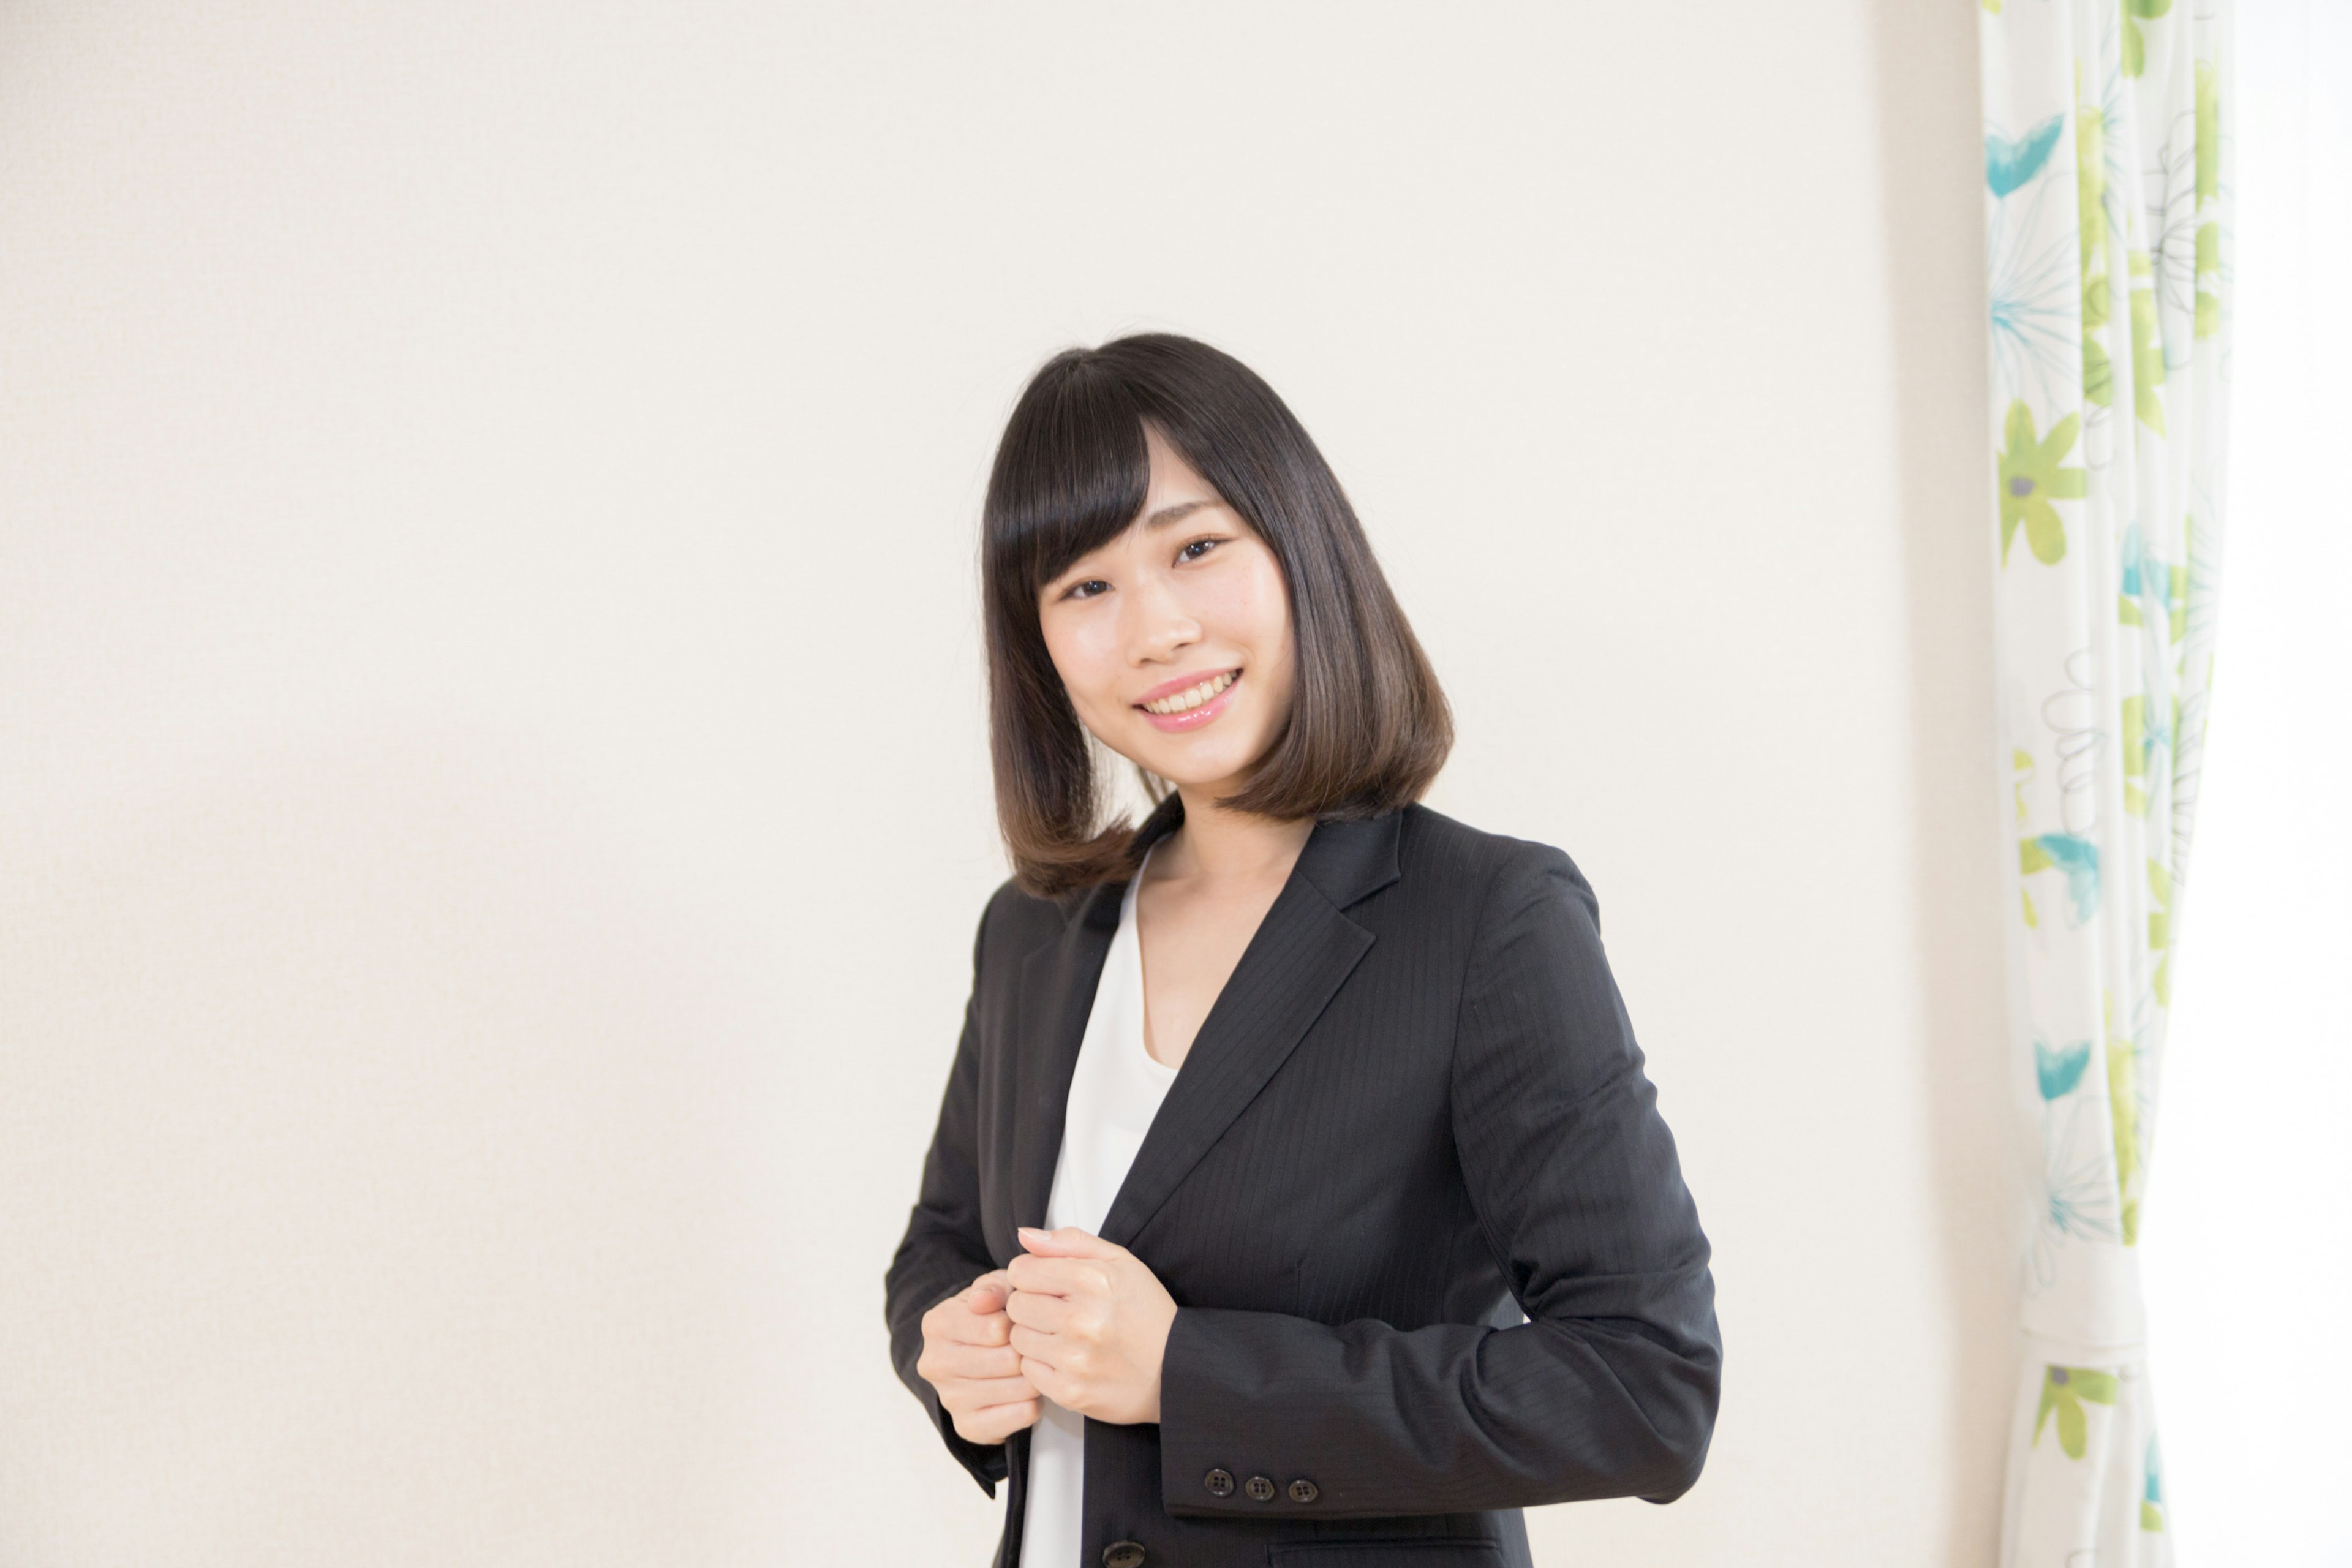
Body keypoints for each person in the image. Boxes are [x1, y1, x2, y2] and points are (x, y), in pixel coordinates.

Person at [883, 332, 1720, 1568]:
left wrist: (1189, 1372)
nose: (1155, 627)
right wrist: (948, 1346)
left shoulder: (1490, 917)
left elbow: (1646, 1385)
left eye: (1196, 546)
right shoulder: (1034, 931)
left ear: (1301, 547)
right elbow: (942, 1246)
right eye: (1084, 586)